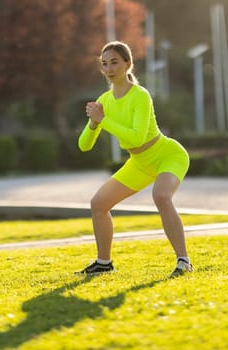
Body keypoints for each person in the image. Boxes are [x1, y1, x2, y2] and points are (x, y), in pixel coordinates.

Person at [76, 41, 193, 277]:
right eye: (105, 64)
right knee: (98, 204)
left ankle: (184, 261)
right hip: (139, 163)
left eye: (115, 62)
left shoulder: (140, 95)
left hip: (167, 155)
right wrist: (94, 122)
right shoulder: (104, 100)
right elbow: (84, 145)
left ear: (128, 64)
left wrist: (104, 120)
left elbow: (137, 137)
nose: (109, 69)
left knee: (161, 196)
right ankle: (103, 263)